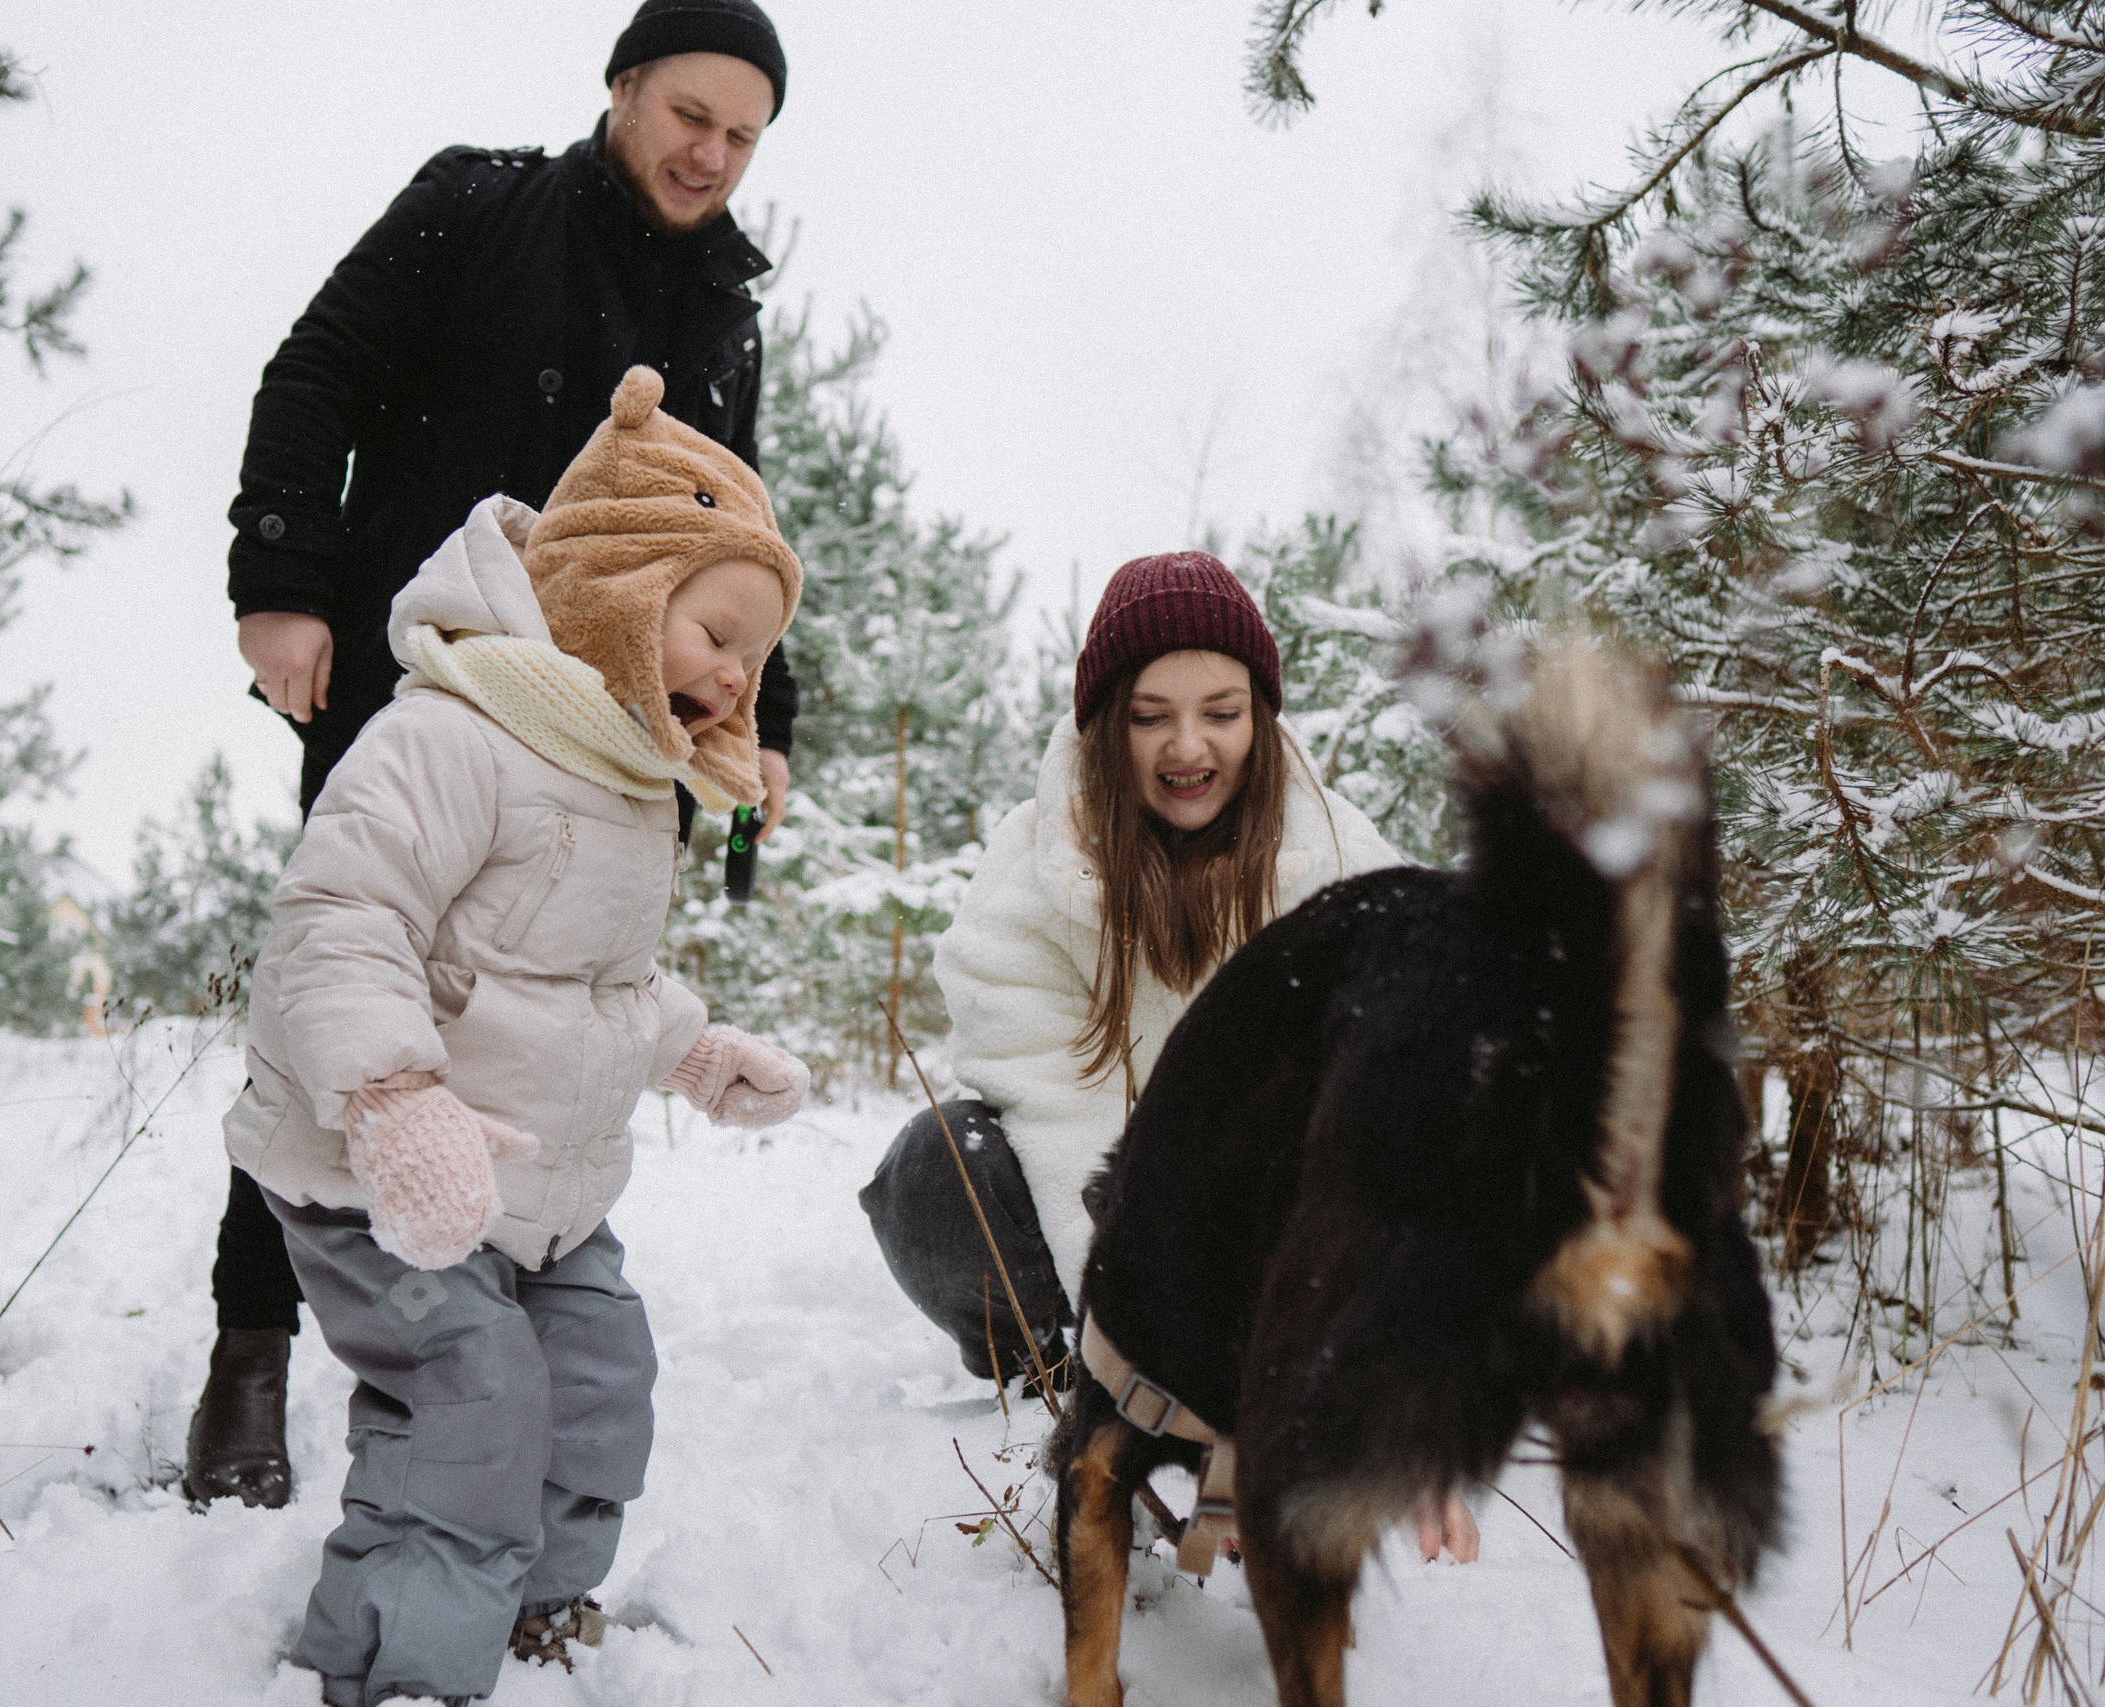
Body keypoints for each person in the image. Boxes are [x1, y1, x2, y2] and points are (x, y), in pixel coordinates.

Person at [191, 0, 799, 1510]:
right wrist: (282, 580)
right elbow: (315, 372)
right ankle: (250, 1348)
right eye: (689, 115)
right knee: (346, 993)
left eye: (741, 135)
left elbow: (742, 539)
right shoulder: (479, 200)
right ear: (624, 89)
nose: (710, 153)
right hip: (428, 673)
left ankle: (463, 1376)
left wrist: (758, 729)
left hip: (605, 731)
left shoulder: (727, 308)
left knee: (538, 1019)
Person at [225, 369, 810, 1704]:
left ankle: (536, 1604)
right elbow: (338, 916)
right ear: (616, 581)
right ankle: (397, 1661)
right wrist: (393, 1100)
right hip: (378, 1175)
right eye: (714, 627)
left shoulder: (624, 776)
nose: (735, 671)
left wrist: (694, 1048)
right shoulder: (450, 733)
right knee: (477, 1389)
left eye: (752, 653)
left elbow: (599, 981)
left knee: (602, 1368)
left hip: (536, 1188)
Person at [858, 550, 1482, 1563]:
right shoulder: (1029, 868)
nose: (1187, 746)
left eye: (1221, 711)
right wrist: (1136, 1375)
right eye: (1150, 715)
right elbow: (1065, 1126)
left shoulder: (1341, 862)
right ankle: (1052, 1367)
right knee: (941, 1165)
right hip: (1106, 1227)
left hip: (1284, 1236)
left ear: (1262, 717)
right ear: (1108, 725)